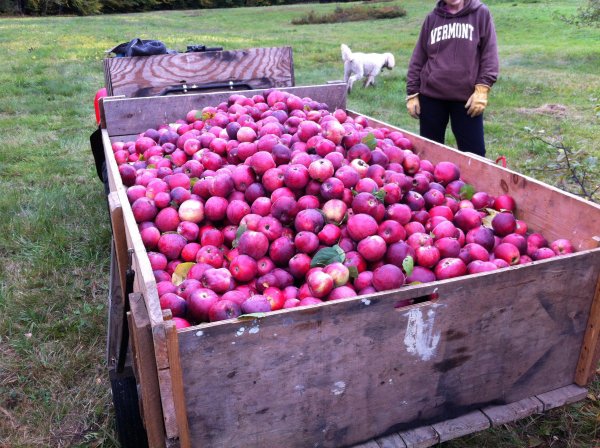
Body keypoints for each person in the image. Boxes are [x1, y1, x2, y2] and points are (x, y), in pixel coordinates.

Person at [405, 0, 499, 157]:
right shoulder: (432, 18)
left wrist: (483, 88)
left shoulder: (480, 13)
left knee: (474, 155)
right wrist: (412, 93)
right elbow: (418, 57)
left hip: (467, 99)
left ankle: (473, 182)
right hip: (431, 97)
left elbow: (489, 54)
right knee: (429, 154)